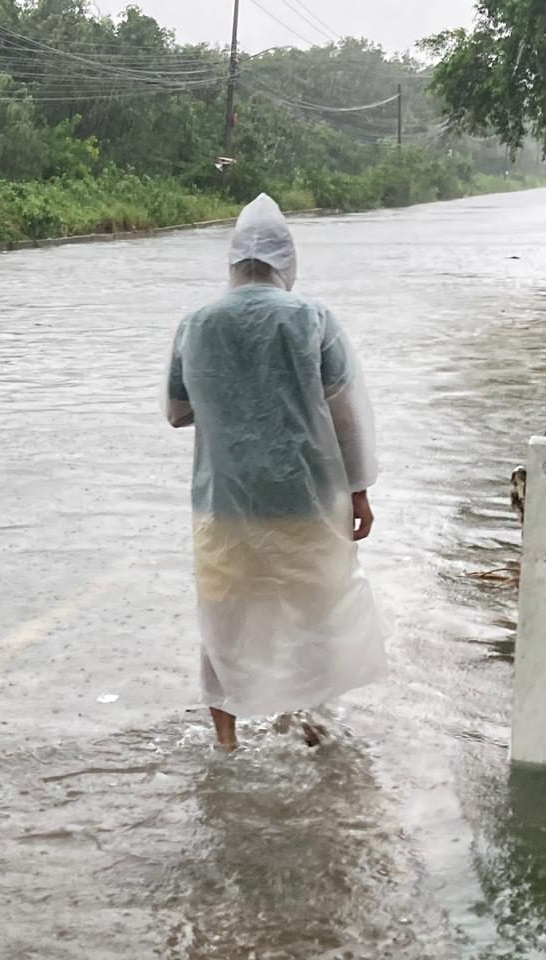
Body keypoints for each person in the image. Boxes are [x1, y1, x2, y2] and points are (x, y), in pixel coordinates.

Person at [165, 194, 388, 752]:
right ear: (286, 261)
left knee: (223, 623)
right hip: (305, 502)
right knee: (314, 615)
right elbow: (347, 415)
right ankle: (310, 723)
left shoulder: (196, 324)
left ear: (234, 260)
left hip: (225, 507)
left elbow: (176, 411)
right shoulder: (312, 319)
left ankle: (225, 743)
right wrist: (358, 493)